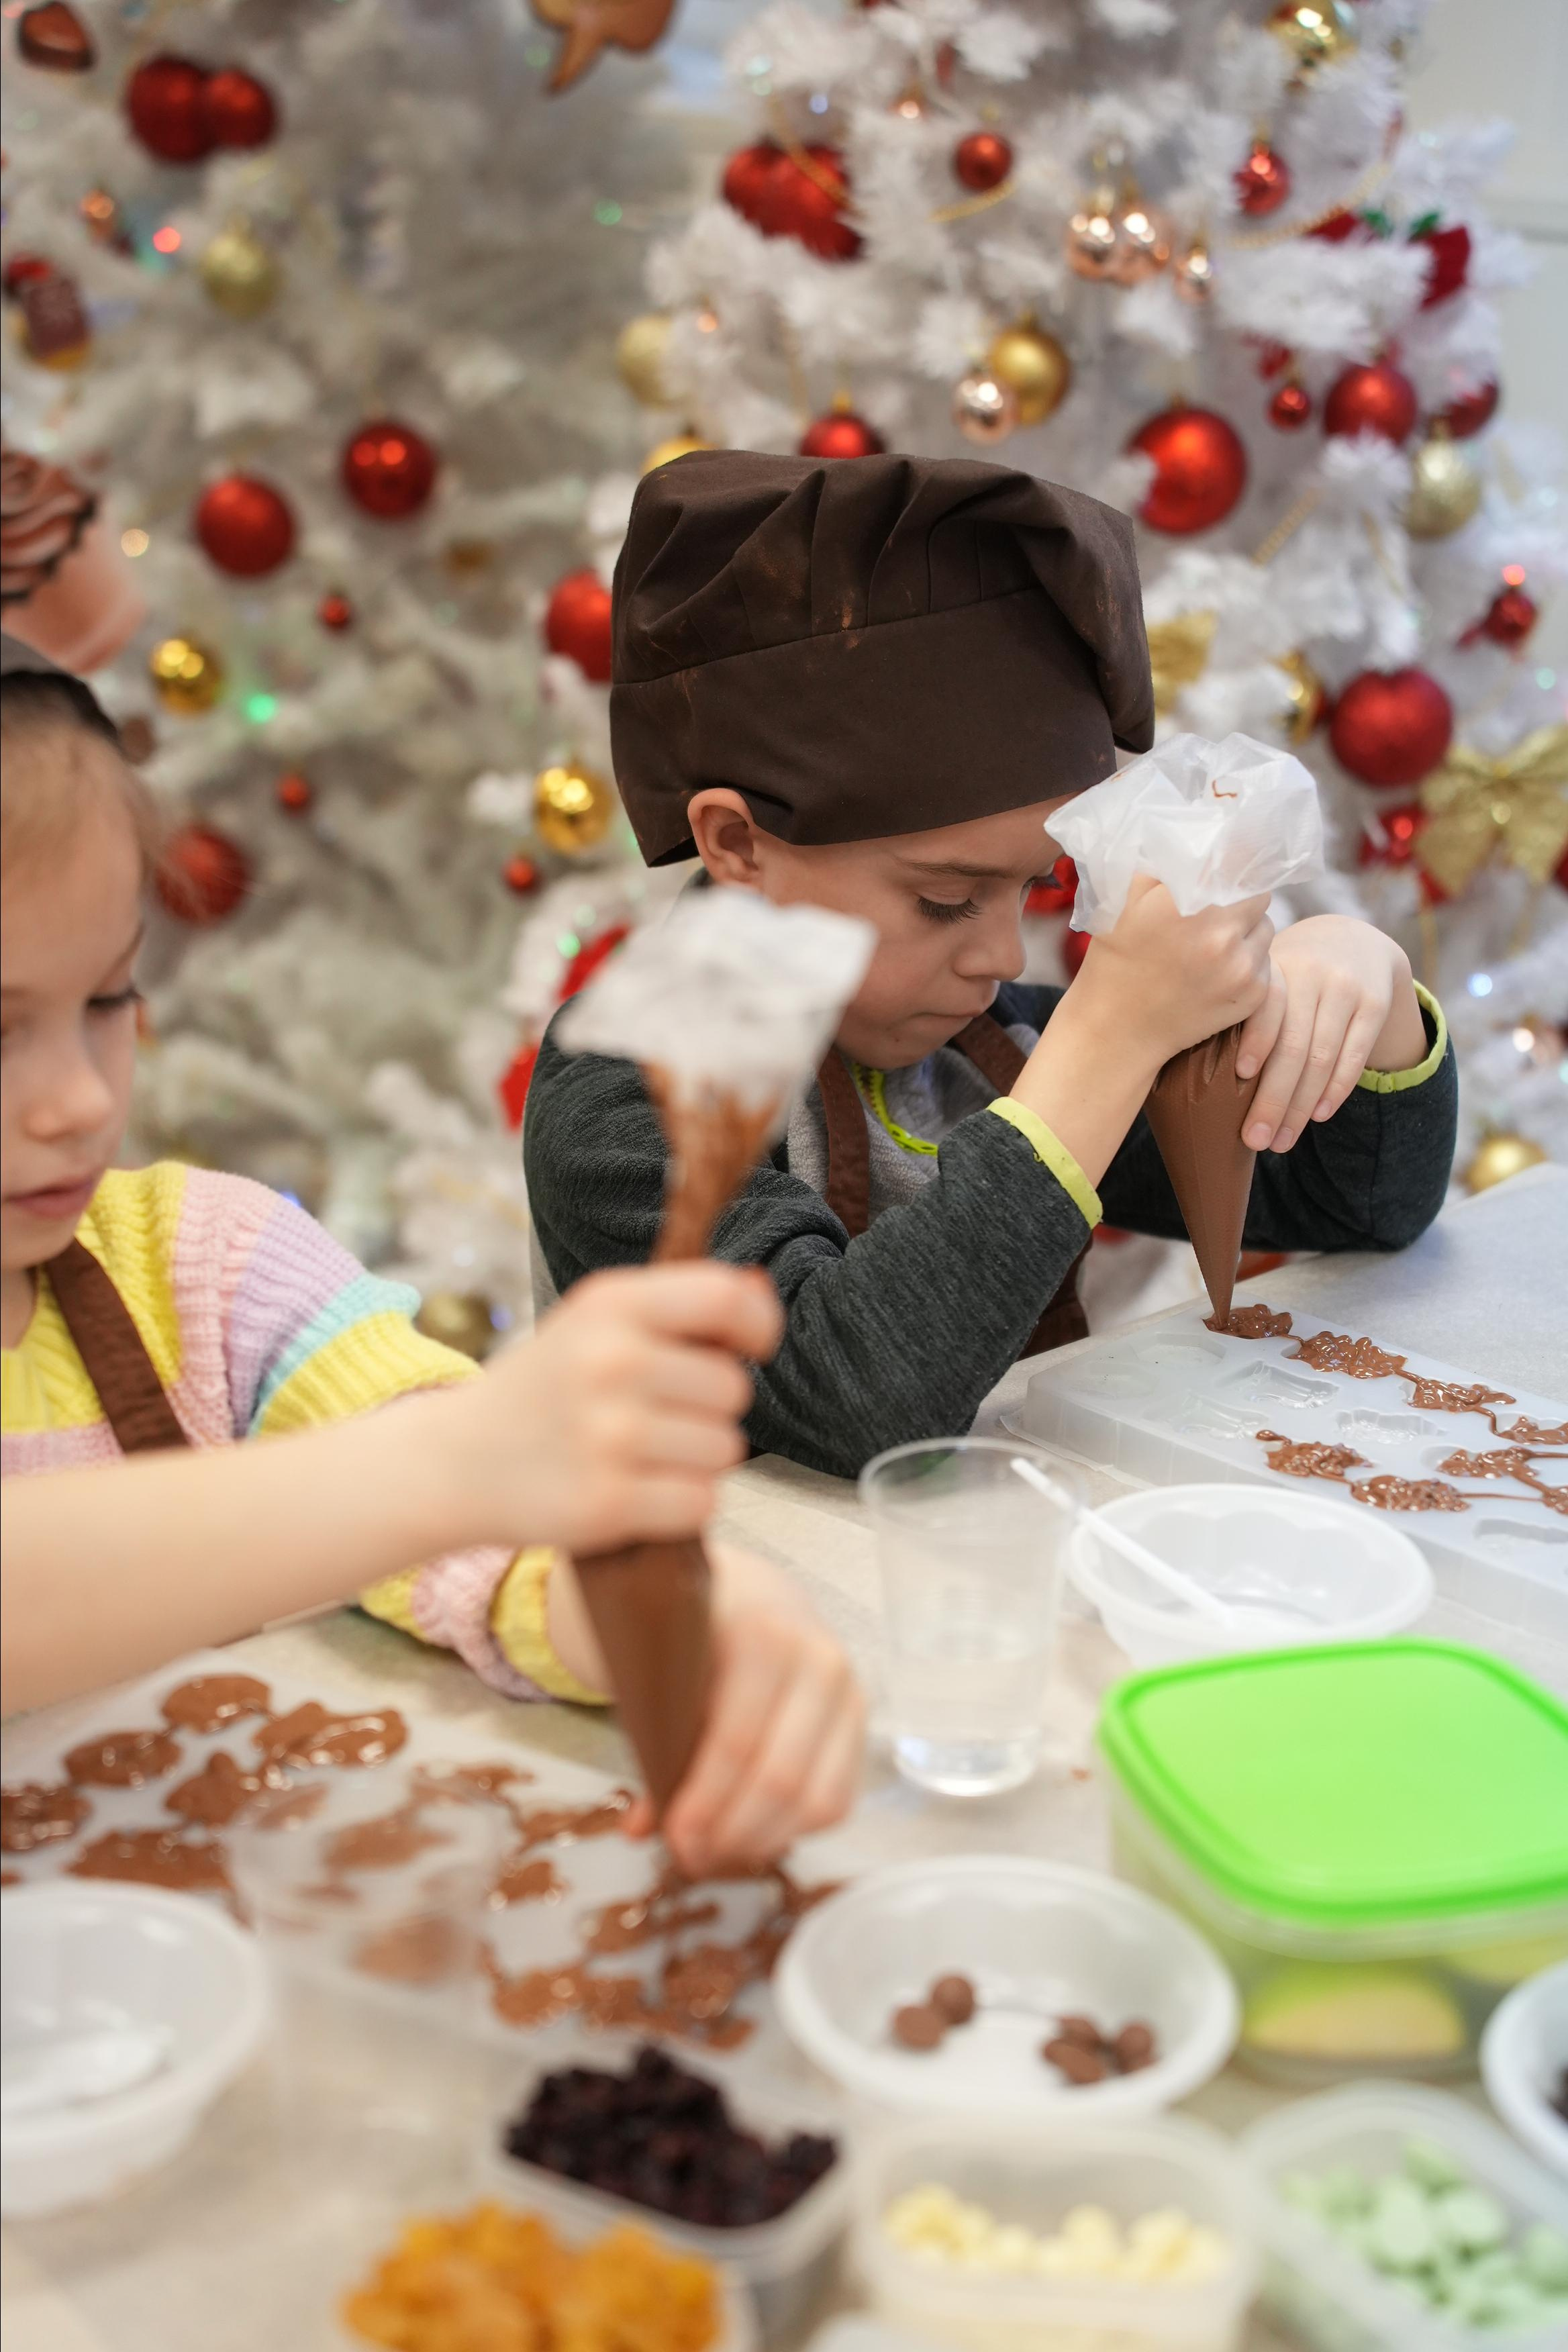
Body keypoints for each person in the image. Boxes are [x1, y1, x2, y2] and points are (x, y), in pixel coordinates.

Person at [0, 636, 864, 1877]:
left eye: (107, 998)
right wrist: (456, 1463)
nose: (77, 1102)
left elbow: (488, 1539)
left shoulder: (200, 1268)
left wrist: (690, 1610)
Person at [524, 451, 1457, 1477]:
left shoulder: (986, 1041)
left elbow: (1359, 1204)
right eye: (943, 900)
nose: (1004, 954)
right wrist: (1109, 1039)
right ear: (739, 847)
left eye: (1031, 888)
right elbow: (851, 1391)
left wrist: (1367, 1000)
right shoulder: (620, 1091)